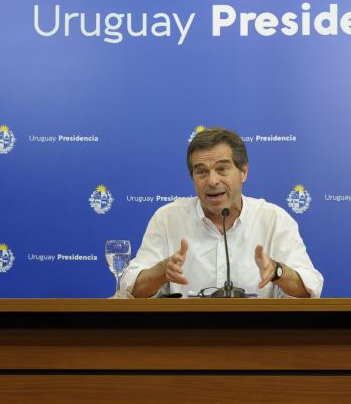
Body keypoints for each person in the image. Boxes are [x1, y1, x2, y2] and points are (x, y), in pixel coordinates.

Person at [120, 127, 323, 298]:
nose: (212, 181)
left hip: (258, 339)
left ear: (244, 172)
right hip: (185, 339)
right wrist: (162, 271)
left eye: (222, 169)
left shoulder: (274, 220)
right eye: (202, 172)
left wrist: (277, 271)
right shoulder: (168, 219)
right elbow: (130, 289)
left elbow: (310, 290)